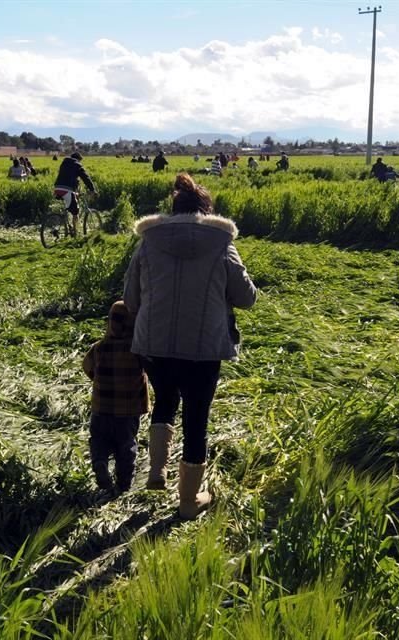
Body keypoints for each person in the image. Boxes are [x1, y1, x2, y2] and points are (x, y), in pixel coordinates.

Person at [123, 173, 257, 519]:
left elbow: (130, 298)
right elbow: (246, 299)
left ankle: (156, 472)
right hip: (203, 348)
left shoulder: (149, 241)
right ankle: (187, 501)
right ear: (205, 209)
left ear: (174, 207)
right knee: (197, 417)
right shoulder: (221, 242)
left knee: (165, 399)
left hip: (153, 344)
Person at [82, 301, 150, 495]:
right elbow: (151, 369)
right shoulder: (138, 350)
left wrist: (97, 378)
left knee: (99, 439)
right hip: (128, 411)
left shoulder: (99, 347)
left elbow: (87, 366)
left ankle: (100, 462)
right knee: (126, 444)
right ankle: (124, 483)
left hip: (101, 408)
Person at [53, 152, 96, 234]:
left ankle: (68, 225)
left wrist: (76, 190)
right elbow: (86, 178)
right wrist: (92, 189)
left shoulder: (64, 163)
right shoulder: (77, 165)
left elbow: (69, 178)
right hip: (66, 190)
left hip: (57, 188)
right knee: (75, 212)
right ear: (78, 159)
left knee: (71, 203)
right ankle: (75, 233)